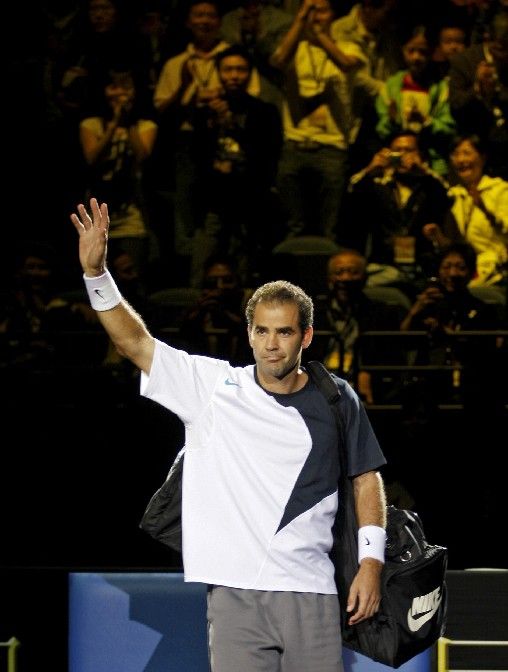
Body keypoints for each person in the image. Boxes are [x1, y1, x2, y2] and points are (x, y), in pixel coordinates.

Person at [70, 197, 388, 672]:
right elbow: (133, 342)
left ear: (306, 337)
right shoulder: (213, 388)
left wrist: (371, 563)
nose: (271, 344)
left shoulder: (337, 398)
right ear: (250, 333)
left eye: (283, 333)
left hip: (312, 589)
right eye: (261, 331)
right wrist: (97, 275)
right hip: (233, 594)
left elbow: (367, 479)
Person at [310, 249, 409, 404]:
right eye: (339, 272)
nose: (346, 278)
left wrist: (368, 372)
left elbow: (392, 359)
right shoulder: (313, 314)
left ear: (364, 279)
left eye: (353, 272)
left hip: (363, 387)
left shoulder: (382, 314)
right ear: (330, 279)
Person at [423, 134, 508, 286]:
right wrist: (438, 236)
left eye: (467, 153)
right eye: (455, 154)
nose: (461, 160)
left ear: (482, 158)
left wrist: (484, 209)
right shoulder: (454, 195)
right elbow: (454, 246)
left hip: (494, 267)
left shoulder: (500, 190)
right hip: (463, 269)